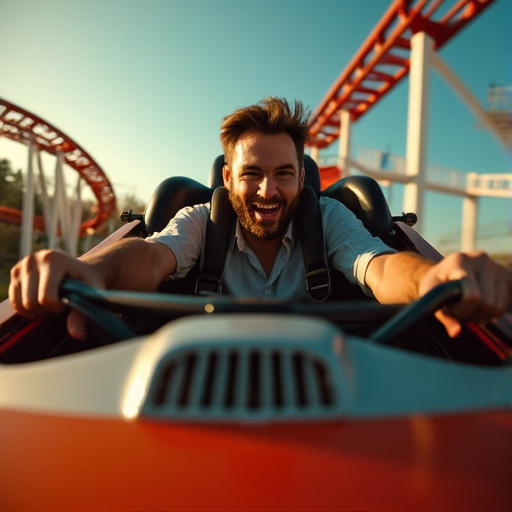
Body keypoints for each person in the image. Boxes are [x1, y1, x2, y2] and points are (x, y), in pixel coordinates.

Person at [8, 97, 511, 341]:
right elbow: (151, 256)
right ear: (227, 178)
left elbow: (377, 266)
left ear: (303, 179)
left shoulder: (328, 217)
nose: (269, 191)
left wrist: (432, 279)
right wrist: (94, 269)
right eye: (252, 174)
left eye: (284, 174)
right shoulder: (200, 219)